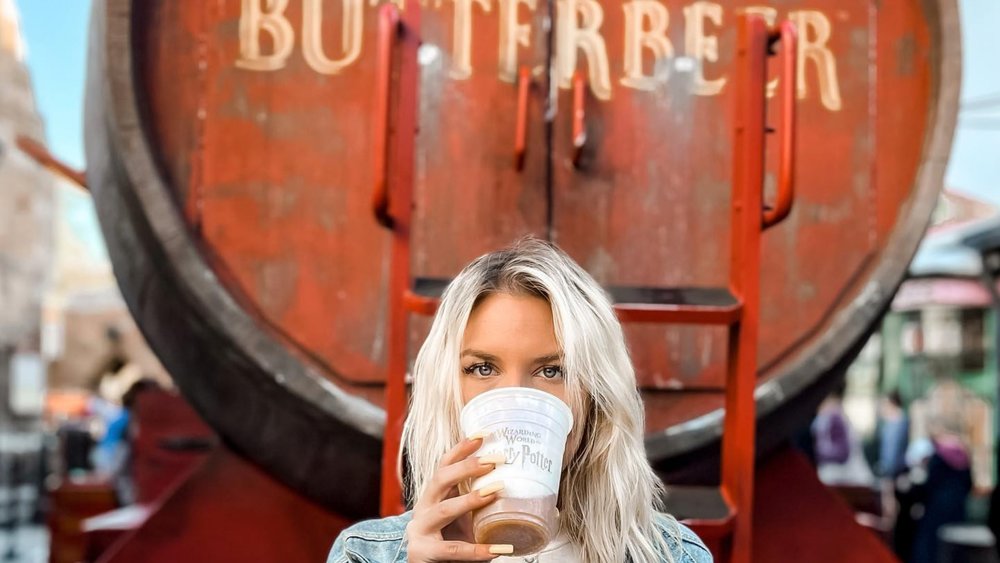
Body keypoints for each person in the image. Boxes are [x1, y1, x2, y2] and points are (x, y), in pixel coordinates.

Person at [328, 239, 712, 562]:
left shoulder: (674, 554)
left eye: (551, 371)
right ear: (446, 388)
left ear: (594, 397)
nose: (516, 398)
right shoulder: (362, 554)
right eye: (481, 368)